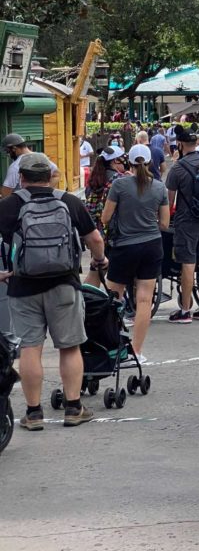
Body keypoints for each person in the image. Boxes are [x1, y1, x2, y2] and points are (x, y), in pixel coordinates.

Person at [0, 153, 106, 428]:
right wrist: (99, 260)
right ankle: (73, 408)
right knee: (69, 347)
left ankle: (34, 413)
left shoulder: (8, 205)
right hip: (64, 285)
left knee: (30, 348)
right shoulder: (69, 201)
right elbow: (95, 239)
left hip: (23, 287)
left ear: (21, 178)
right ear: (50, 176)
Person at [100, 144, 169, 360]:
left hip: (124, 246)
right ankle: (137, 351)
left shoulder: (119, 185)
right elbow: (165, 223)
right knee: (144, 300)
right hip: (152, 245)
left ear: (128, 161)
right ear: (150, 162)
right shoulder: (159, 187)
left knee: (113, 298)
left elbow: (105, 218)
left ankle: (113, 347)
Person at [165, 126, 199, 323]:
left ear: (180, 145)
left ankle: (185, 310)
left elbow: (169, 201)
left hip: (186, 222)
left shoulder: (178, 168)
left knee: (187, 264)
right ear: (196, 143)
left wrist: (165, 220)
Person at [2, 133, 58, 197]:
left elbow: (6, 193)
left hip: (23, 202)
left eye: (8, 151)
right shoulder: (41, 158)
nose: (9, 154)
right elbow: (56, 175)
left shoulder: (16, 166)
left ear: (14, 148)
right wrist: (44, 192)